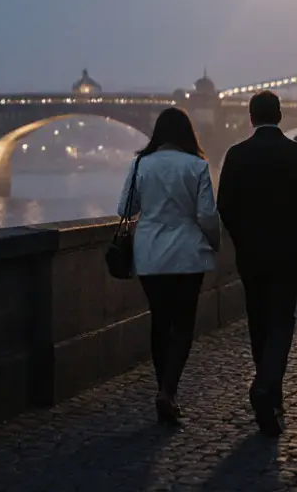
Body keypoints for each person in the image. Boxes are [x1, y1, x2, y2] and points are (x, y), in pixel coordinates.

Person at [216, 90, 297, 436]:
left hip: (251, 256)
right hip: (288, 257)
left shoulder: (236, 155)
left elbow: (226, 208)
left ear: (251, 117)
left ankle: (270, 392)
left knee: (259, 323)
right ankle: (266, 389)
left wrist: (243, 242)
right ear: (279, 116)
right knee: (282, 322)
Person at [117, 106, 220, 425]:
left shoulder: (140, 164)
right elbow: (205, 214)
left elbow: (125, 208)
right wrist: (214, 242)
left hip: (149, 254)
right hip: (188, 254)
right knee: (184, 325)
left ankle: (164, 388)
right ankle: (168, 391)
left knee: (160, 321)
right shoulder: (197, 166)